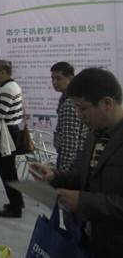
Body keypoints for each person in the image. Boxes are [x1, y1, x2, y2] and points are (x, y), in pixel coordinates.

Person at [30, 68, 123, 258]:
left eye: (82, 109)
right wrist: (55, 176)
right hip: (90, 240)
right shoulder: (95, 134)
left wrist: (83, 202)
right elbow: (83, 177)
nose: (79, 116)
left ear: (107, 103)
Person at [0, 60, 24, 218]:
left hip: (7, 132)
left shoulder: (7, 88)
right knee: (8, 168)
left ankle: (15, 208)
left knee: (7, 170)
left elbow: (0, 114)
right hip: (11, 130)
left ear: (3, 72)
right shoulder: (12, 86)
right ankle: (17, 202)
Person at [50, 61, 89, 171]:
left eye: (58, 78)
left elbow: (70, 142)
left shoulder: (70, 103)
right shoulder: (68, 98)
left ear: (70, 78)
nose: (54, 82)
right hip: (78, 155)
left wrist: (63, 170)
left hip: (74, 158)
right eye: (52, 78)